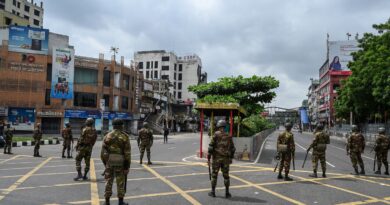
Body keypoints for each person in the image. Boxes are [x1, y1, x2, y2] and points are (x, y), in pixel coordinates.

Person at [101, 118, 131, 205]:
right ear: (121, 126)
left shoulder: (107, 136)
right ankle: (120, 202)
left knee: (108, 181)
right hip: (121, 163)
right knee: (120, 182)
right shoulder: (125, 136)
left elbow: (103, 153)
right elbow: (127, 154)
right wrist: (126, 167)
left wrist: (105, 163)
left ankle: (107, 202)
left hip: (109, 162)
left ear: (113, 126)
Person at [207, 120, 235, 198]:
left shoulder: (215, 135)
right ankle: (227, 193)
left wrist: (209, 157)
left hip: (216, 159)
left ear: (219, 127)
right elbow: (233, 149)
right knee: (226, 176)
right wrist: (231, 158)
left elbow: (210, 147)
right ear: (224, 127)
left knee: (214, 175)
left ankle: (213, 192)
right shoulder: (229, 136)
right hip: (226, 159)